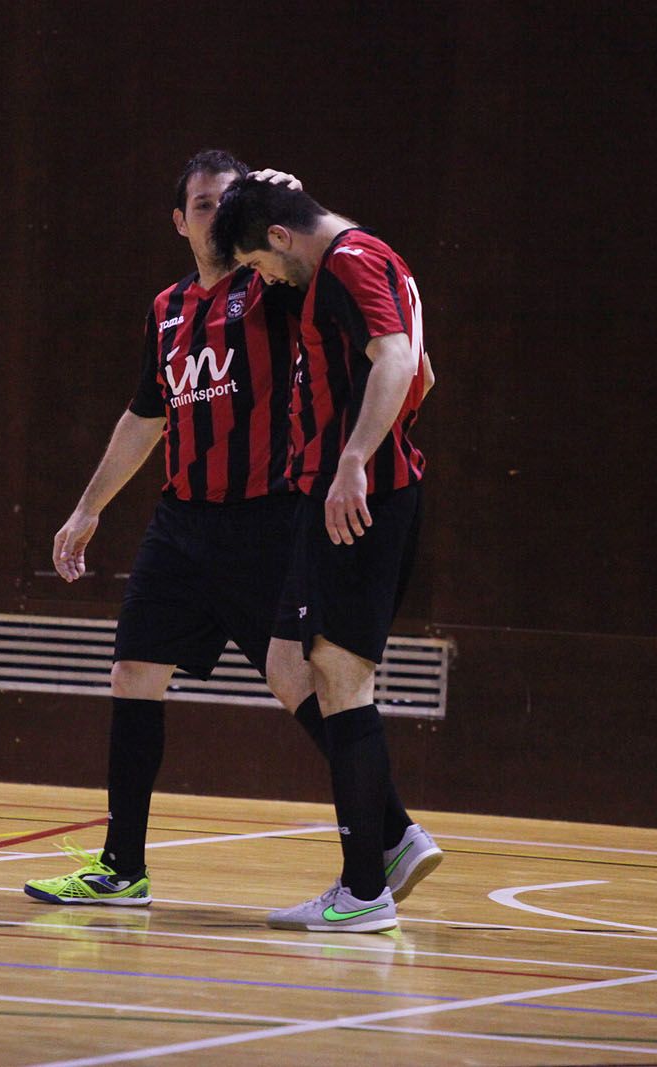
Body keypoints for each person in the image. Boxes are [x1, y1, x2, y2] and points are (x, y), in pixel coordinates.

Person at [23, 152, 439, 926]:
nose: (217, 218)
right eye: (204, 206)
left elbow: (333, 267)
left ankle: (387, 835)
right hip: (182, 521)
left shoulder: (275, 286)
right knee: (133, 673)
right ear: (180, 221)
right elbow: (144, 416)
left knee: (304, 676)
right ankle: (122, 868)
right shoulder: (167, 309)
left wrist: (283, 190)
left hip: (270, 514)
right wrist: (88, 509)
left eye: (228, 204)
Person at [210, 176, 436, 932]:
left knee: (342, 678)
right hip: (330, 493)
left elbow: (399, 361)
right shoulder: (377, 258)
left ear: (280, 237)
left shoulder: (345, 261)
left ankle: (364, 887)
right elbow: (421, 373)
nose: (264, 281)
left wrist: (354, 459)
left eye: (260, 265)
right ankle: (395, 832)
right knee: (286, 663)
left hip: (357, 495)